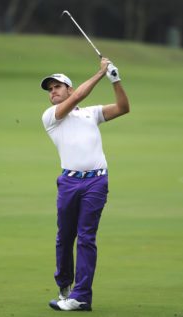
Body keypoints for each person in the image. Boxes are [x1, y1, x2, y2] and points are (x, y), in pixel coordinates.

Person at [41, 57, 130, 311]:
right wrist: (100, 72)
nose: (53, 92)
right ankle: (65, 286)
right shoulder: (51, 117)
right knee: (65, 237)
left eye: (57, 86)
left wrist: (115, 80)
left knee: (86, 238)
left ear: (68, 89)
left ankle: (81, 296)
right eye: (50, 89)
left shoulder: (92, 114)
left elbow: (123, 107)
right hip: (69, 182)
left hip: (96, 182)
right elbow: (79, 96)